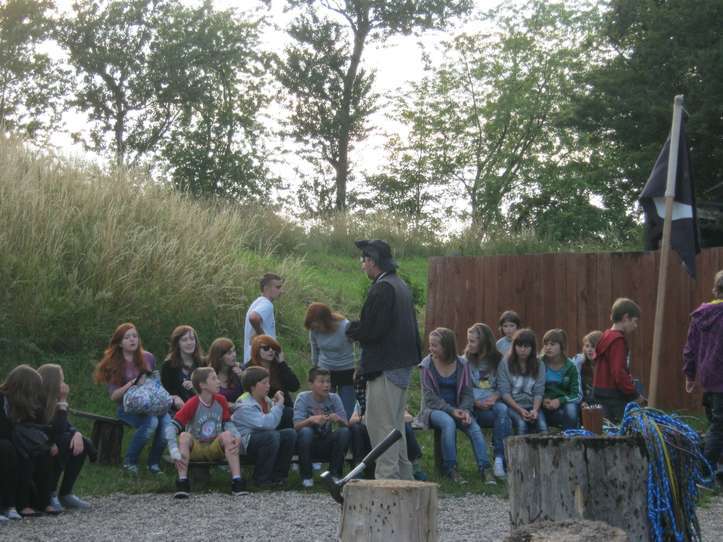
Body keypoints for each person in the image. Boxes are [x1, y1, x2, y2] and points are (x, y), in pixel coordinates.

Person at [347, 239, 421, 480]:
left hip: (385, 366)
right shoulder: (399, 285)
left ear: (372, 261)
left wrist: (350, 330)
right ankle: (405, 479)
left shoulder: (382, 288)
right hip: (399, 364)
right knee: (395, 428)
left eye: (363, 260)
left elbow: (373, 331)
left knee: (381, 427)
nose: (362, 265)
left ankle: (388, 481)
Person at [417, 327, 494, 484]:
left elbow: (467, 393)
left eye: (434, 345)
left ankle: (485, 468)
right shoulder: (426, 365)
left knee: (474, 427)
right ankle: (451, 468)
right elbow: (430, 398)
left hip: (459, 408)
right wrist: (452, 410)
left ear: (446, 346)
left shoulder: (462, 364)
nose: (431, 348)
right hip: (434, 410)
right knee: (448, 422)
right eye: (430, 345)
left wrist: (465, 410)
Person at [94, 323, 172, 474]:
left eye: (135, 336)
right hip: (127, 408)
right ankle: (130, 462)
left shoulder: (148, 357)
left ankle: (153, 464)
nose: (132, 340)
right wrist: (133, 383)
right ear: (119, 343)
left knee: (167, 424)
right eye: (127, 337)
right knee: (152, 422)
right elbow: (114, 396)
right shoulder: (112, 363)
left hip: (152, 404)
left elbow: (155, 382)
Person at [169, 367, 245, 498]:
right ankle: (182, 482)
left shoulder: (221, 400)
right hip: (196, 447)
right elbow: (173, 425)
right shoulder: (193, 403)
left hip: (214, 446)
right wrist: (173, 447)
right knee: (184, 436)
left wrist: (237, 436)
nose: (218, 382)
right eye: (214, 378)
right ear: (202, 385)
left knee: (228, 435)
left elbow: (227, 424)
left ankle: (237, 481)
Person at [683, 270, 723, 474]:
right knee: (719, 427)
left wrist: (690, 375)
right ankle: (704, 472)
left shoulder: (701, 315)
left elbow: (690, 348)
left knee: (715, 424)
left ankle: (714, 467)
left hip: (708, 378)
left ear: (715, 290)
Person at [0, 365, 53, 517]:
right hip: (5, 442)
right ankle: (9, 504)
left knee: (40, 450)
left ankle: (41, 501)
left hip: (13, 441)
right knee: (10, 449)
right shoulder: (2, 399)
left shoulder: (23, 403)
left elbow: (41, 425)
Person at [38, 364, 91, 511]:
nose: (64, 384)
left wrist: (77, 433)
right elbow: (58, 430)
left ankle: (66, 493)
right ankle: (51, 492)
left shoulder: (55, 401)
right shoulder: (39, 401)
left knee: (80, 443)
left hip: (55, 441)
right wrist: (63, 401)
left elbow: (67, 425)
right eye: (61, 380)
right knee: (63, 441)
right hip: (40, 443)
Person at [232, 366, 297, 487]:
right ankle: (261, 478)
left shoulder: (264, 399)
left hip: (259, 439)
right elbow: (269, 424)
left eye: (268, 382)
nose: (268, 386)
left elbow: (272, 417)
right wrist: (279, 404)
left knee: (290, 434)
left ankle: (279, 477)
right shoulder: (245, 405)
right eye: (264, 383)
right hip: (244, 443)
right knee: (272, 436)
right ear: (253, 386)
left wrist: (275, 403)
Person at [464, 323, 510, 479]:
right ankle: (499, 461)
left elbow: (503, 386)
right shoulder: (465, 361)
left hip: (492, 405)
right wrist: (475, 402)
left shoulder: (499, 361)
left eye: (472, 341)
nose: (469, 344)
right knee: (506, 420)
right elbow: (463, 389)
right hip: (473, 408)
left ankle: (498, 459)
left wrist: (495, 397)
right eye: (468, 341)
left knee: (503, 410)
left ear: (483, 342)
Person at [293, 367, 350, 488]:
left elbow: (346, 425)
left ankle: (335, 474)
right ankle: (307, 477)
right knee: (306, 432)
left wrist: (338, 419)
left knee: (344, 432)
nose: (326, 385)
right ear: (311, 384)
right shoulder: (303, 398)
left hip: (326, 441)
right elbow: (296, 426)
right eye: (321, 381)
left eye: (328, 381)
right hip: (307, 443)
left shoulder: (334, 398)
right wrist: (310, 420)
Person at [592, 298, 645, 424]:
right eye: (635, 321)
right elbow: (618, 372)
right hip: (613, 396)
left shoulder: (606, 336)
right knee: (629, 428)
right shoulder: (618, 341)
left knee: (605, 429)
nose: (635, 326)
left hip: (600, 392)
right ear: (626, 318)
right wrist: (634, 395)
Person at [304, 302, 356, 419]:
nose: (315, 330)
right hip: (325, 371)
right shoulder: (313, 330)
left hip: (346, 371)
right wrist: (315, 371)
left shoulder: (345, 326)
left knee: (347, 411)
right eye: (313, 327)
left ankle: (346, 428)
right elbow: (315, 350)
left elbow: (360, 344)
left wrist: (359, 367)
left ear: (325, 321)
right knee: (323, 410)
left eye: (317, 326)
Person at [497, 329, 547, 435]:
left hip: (532, 405)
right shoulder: (504, 364)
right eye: (519, 346)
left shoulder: (539, 364)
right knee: (522, 425)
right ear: (514, 346)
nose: (523, 350)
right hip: (512, 406)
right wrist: (519, 410)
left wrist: (535, 410)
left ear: (532, 348)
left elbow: (539, 391)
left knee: (543, 427)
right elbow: (504, 392)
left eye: (526, 346)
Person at [247, 335, 300, 428]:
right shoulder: (250, 369)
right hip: (262, 412)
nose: (271, 350)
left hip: (284, 408)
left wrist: (282, 363)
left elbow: (294, 386)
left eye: (274, 348)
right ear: (256, 350)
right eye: (266, 348)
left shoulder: (279, 366)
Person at [540, 329, 580, 430]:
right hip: (542, 405)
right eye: (546, 344)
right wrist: (543, 399)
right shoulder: (539, 363)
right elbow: (532, 389)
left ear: (562, 346)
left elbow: (576, 395)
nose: (548, 347)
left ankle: (570, 437)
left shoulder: (571, 366)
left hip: (564, 405)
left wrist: (559, 401)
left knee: (571, 409)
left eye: (552, 344)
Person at [243, 273, 284, 365]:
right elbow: (253, 318)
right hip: (260, 360)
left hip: (253, 359)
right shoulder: (267, 304)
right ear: (266, 288)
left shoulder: (257, 302)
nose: (281, 291)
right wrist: (265, 339)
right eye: (278, 287)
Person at [160, 325, 203, 409]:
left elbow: (211, 391)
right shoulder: (168, 366)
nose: (189, 342)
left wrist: (196, 387)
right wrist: (174, 398)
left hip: (201, 409)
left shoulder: (203, 363)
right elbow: (164, 393)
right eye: (184, 340)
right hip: (177, 410)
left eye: (192, 339)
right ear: (177, 343)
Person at [206, 338, 244, 404]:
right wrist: (227, 404)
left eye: (234, 351)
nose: (234, 355)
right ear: (219, 357)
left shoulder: (241, 369)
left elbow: (252, 393)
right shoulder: (208, 374)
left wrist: (243, 378)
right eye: (229, 353)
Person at [573, 331, 602, 406]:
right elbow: (575, 387)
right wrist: (582, 402)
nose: (589, 349)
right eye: (587, 346)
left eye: (593, 346)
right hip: (582, 402)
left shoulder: (604, 364)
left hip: (600, 402)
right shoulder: (580, 363)